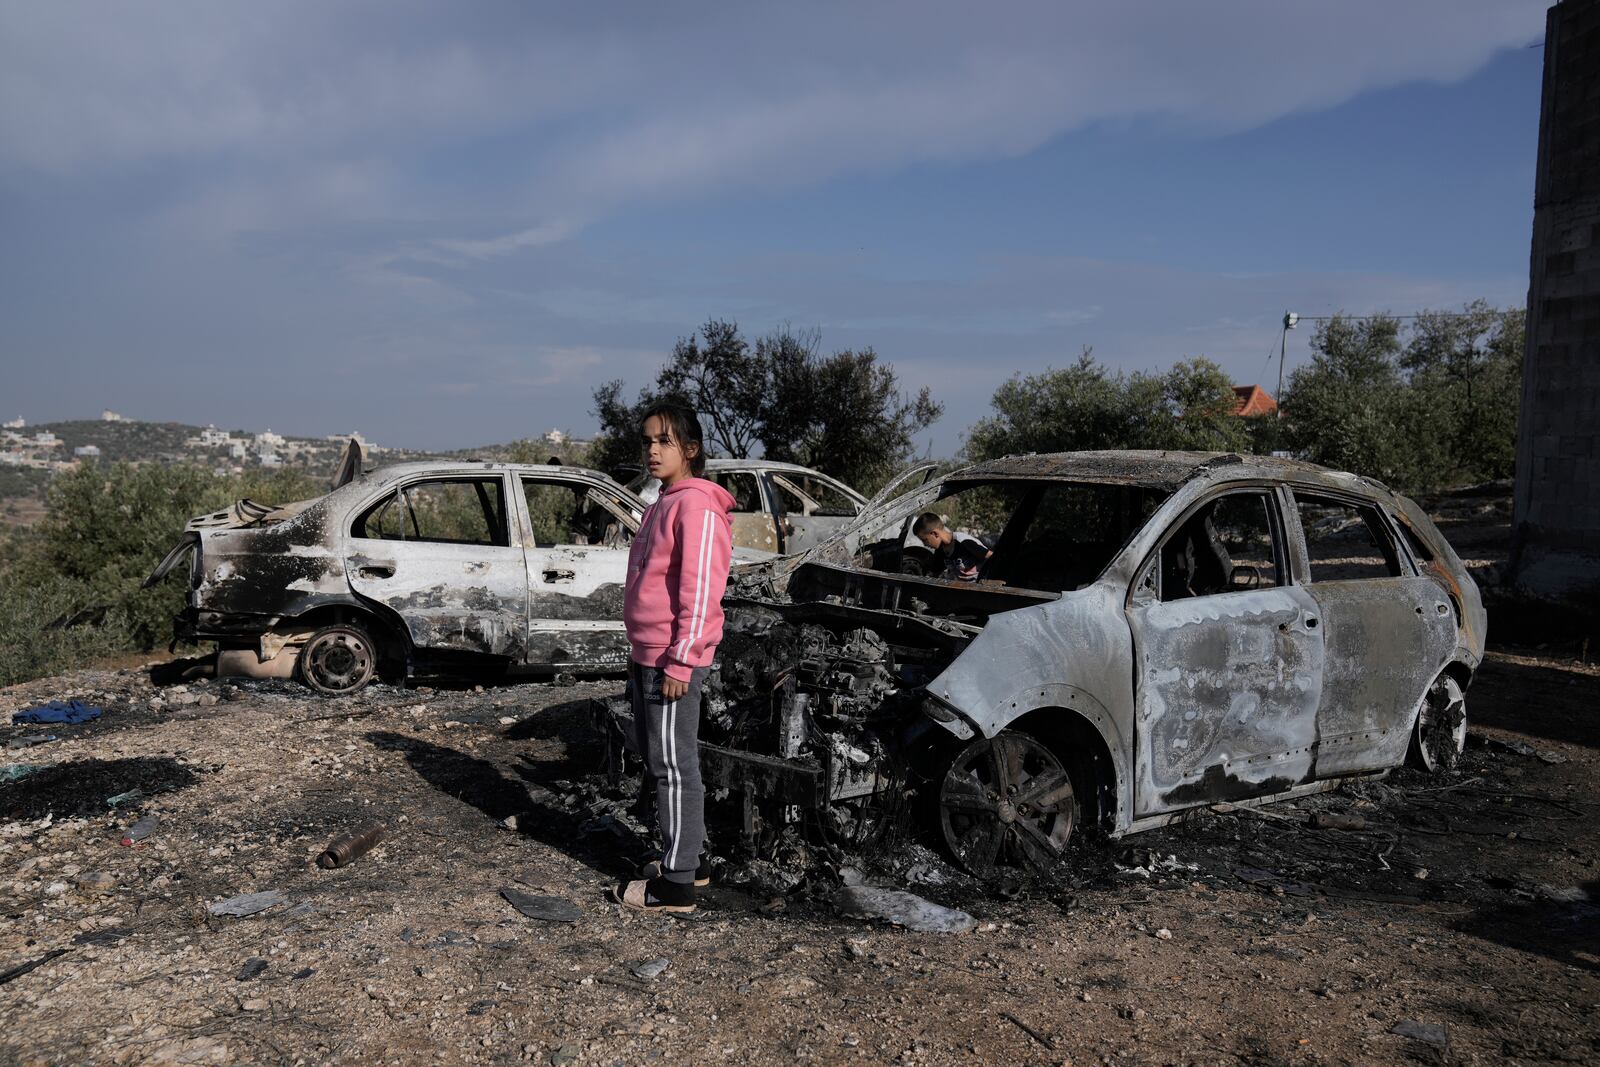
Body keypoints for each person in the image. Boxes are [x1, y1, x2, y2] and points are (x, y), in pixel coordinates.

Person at [614, 401, 734, 914]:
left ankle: (677, 883)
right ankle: (690, 858)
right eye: (647, 441)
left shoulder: (697, 507)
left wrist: (683, 661)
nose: (653, 450)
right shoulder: (664, 501)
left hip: (671, 659)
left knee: (673, 765)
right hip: (650, 652)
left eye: (664, 441)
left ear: (691, 449)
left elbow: (702, 590)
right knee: (655, 752)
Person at [912, 513, 991, 581]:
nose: (924, 544)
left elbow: (992, 557)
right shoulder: (940, 550)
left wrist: (978, 569)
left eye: (925, 540)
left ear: (935, 534)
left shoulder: (963, 542)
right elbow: (934, 572)